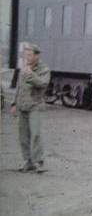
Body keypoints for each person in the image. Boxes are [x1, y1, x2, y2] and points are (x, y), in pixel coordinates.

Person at [10, 43, 51, 173]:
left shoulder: (44, 69)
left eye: (29, 55)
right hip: (22, 105)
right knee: (23, 136)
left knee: (36, 134)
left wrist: (30, 74)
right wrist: (14, 103)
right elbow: (19, 86)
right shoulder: (24, 68)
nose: (26, 57)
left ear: (36, 56)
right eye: (25, 55)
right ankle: (27, 162)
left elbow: (43, 83)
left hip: (35, 106)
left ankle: (39, 162)